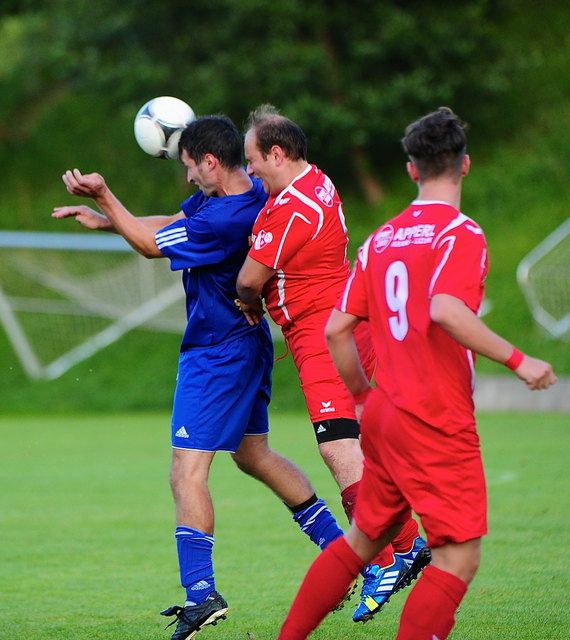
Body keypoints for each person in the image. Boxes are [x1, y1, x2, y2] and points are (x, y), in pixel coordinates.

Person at [52, 115, 346, 640]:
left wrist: (105, 194)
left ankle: (200, 592)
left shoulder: (224, 219)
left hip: (217, 351)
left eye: (189, 167)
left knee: (185, 472)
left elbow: (149, 244)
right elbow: (167, 220)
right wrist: (105, 220)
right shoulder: (249, 190)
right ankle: (343, 553)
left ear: (210, 161)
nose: (186, 177)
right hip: (245, 345)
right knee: (253, 454)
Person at [275, 106, 558, 640]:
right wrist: (522, 361)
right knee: (457, 558)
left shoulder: (381, 238)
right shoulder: (459, 232)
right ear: (465, 165)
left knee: (362, 541)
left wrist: (362, 395)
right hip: (436, 418)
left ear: (411, 170)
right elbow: (447, 311)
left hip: (384, 411)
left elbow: (337, 328)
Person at [236, 104, 429, 623]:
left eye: (252, 159)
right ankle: (406, 543)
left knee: (339, 448)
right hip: (341, 319)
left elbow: (249, 281)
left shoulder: (291, 208)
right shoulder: (316, 179)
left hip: (322, 332)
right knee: (360, 443)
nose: (249, 170)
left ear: (277, 154)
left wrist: (252, 303)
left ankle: (385, 559)